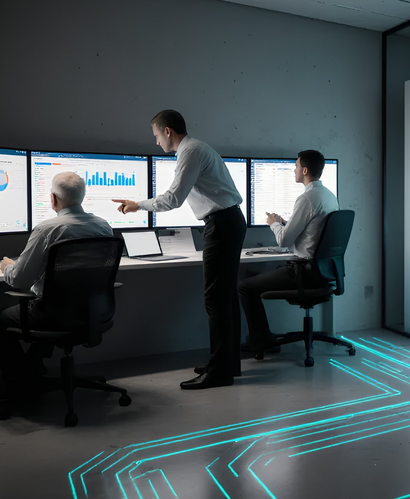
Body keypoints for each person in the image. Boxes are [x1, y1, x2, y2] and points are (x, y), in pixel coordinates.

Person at [112, 109, 245, 390]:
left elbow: (173, 199)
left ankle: (220, 372)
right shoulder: (195, 148)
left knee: (216, 300)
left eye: (156, 135)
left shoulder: (191, 151)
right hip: (227, 221)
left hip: (222, 224)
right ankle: (227, 364)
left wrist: (137, 205)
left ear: (167, 131)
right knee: (225, 297)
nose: (156, 141)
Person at [0, 172, 112, 398]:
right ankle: (33, 367)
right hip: (93, 311)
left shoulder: (47, 230)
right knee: (47, 301)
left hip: (54, 315)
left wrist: (8, 267)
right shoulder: (103, 226)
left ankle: (20, 382)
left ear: (53, 198)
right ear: (83, 196)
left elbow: (19, 281)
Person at [239, 150, 338, 354]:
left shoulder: (307, 198)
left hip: (304, 272)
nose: (294, 170)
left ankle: (261, 341)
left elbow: (284, 241)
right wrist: (285, 223)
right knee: (253, 278)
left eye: (296, 166)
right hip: (323, 271)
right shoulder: (329, 196)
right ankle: (263, 338)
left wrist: (273, 223)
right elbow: (313, 230)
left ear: (304, 170)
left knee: (245, 287)